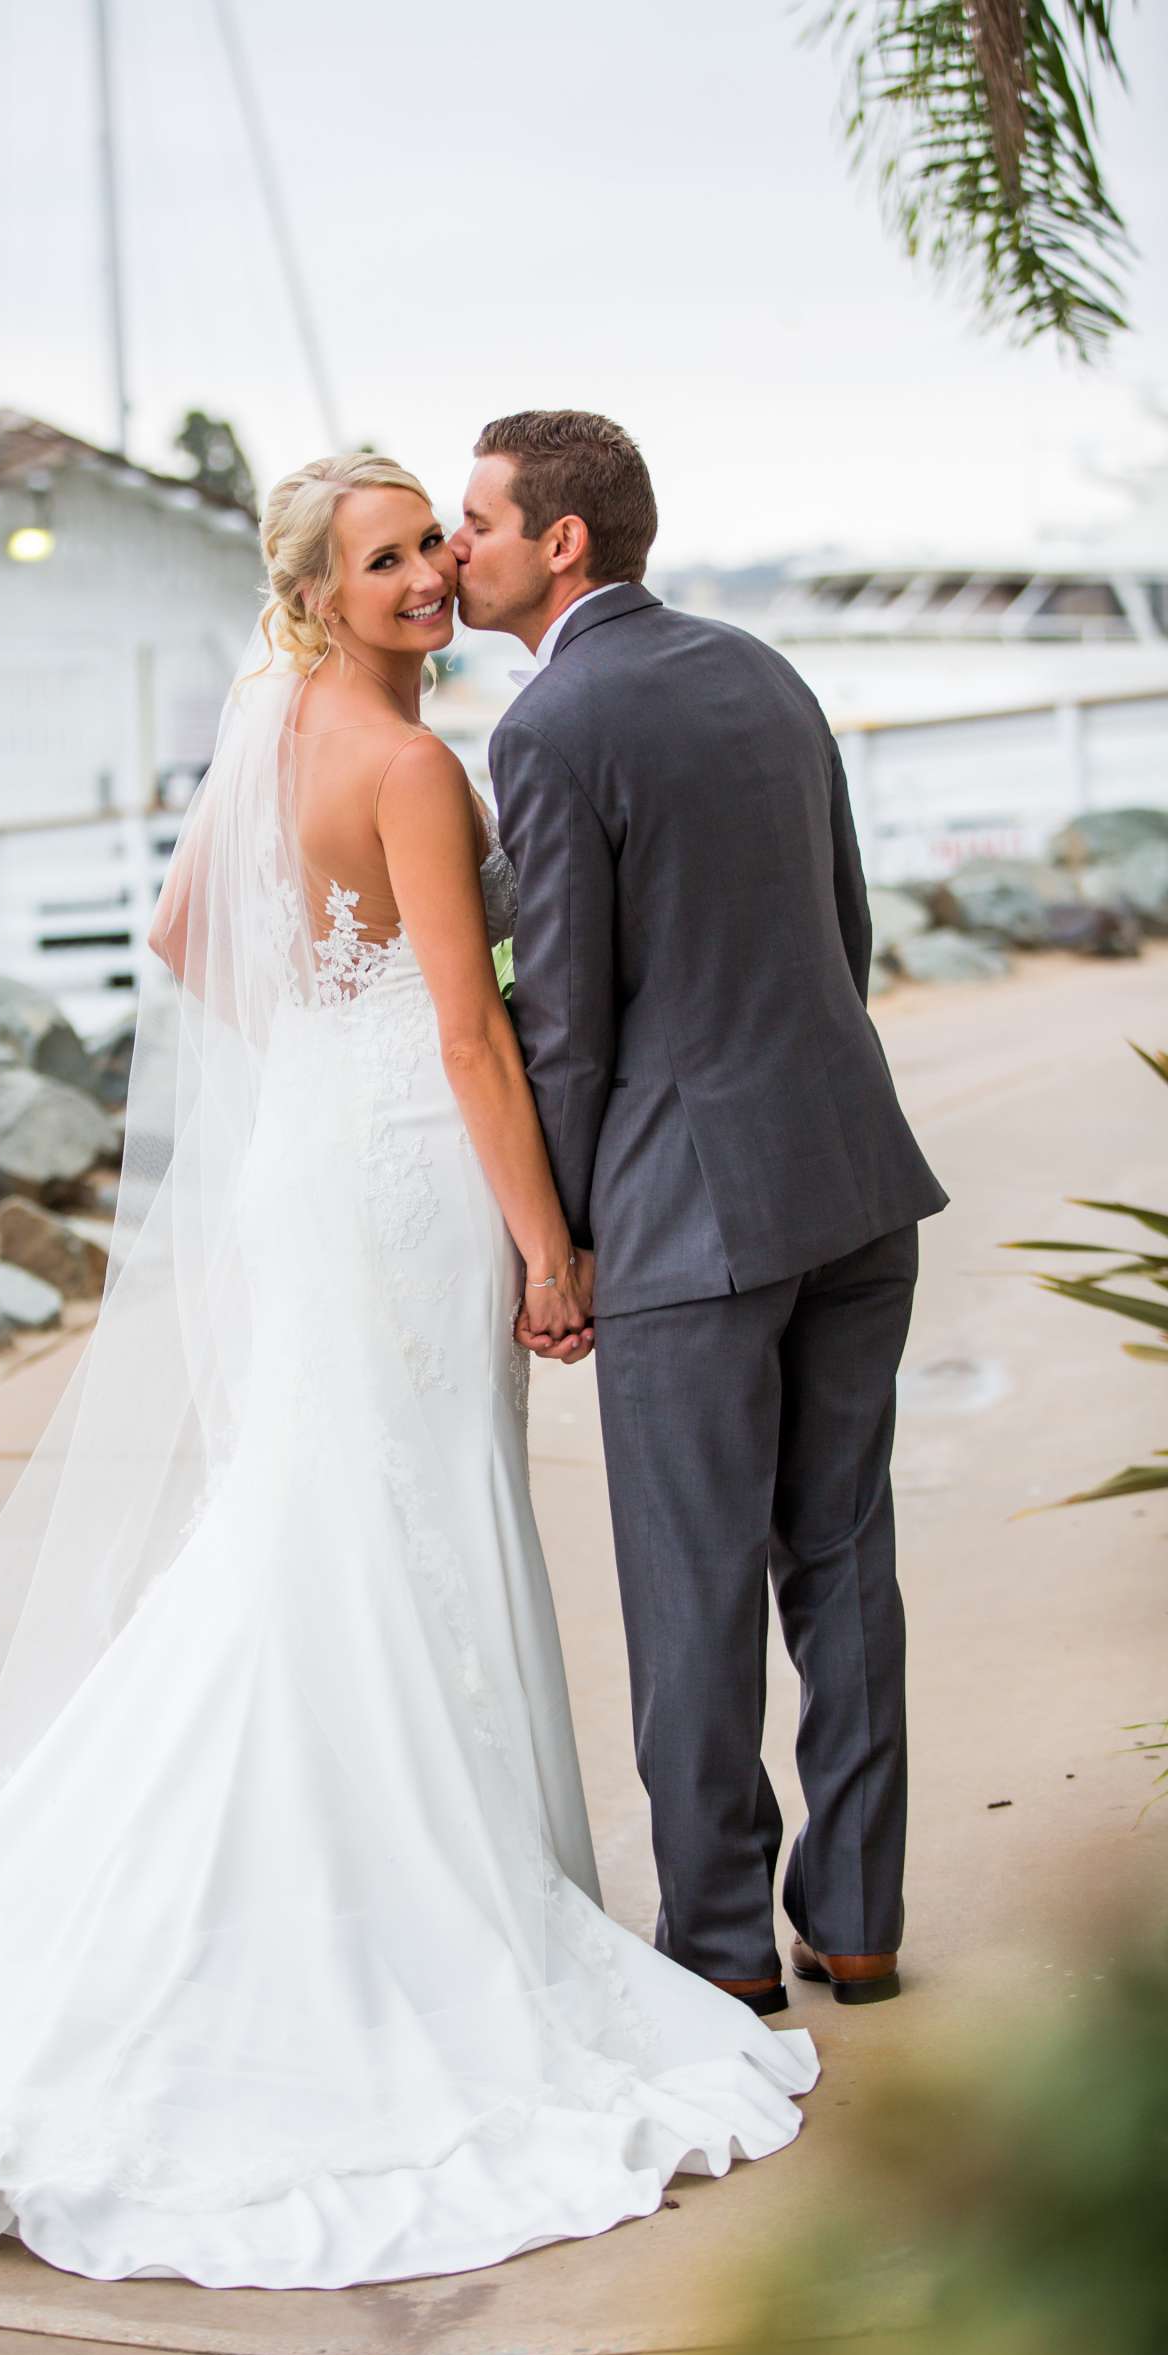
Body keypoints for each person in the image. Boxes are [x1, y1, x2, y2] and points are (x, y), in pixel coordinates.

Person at [0, 452, 816, 2292]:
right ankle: (400, 1910)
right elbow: (472, 1032)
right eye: (383, 560)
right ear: (319, 588)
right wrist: (547, 1240)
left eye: (426, 550)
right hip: (402, 1177)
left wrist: (318, 1042)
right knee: (398, 1521)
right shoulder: (407, 765)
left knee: (324, 1523)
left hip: (322, 1156)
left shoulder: (274, 725)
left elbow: (180, 940)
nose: (416, 579)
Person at [451, 410, 948, 2015]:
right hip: (854, 1175)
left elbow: (569, 1024)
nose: (461, 551)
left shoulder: (547, 727)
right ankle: (859, 1924)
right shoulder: (765, 669)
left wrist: (566, 1240)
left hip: (688, 1219)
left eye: (478, 522)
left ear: (563, 542)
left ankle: (723, 1958)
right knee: (842, 1560)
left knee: (691, 1596)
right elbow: (844, 923)